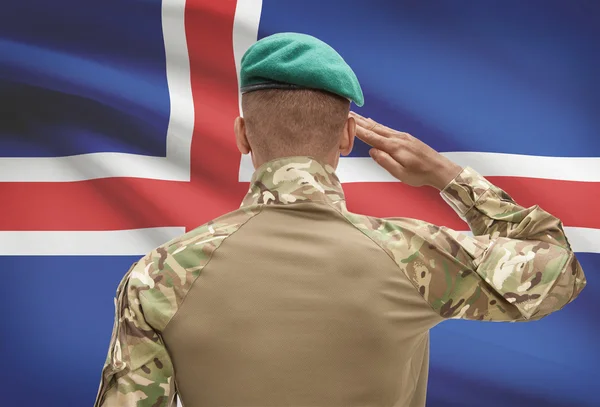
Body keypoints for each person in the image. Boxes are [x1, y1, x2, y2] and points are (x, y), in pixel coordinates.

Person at [94, 32, 586, 407]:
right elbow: (558, 268)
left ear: (243, 135)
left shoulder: (158, 275)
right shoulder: (415, 256)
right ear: (348, 135)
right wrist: (446, 175)